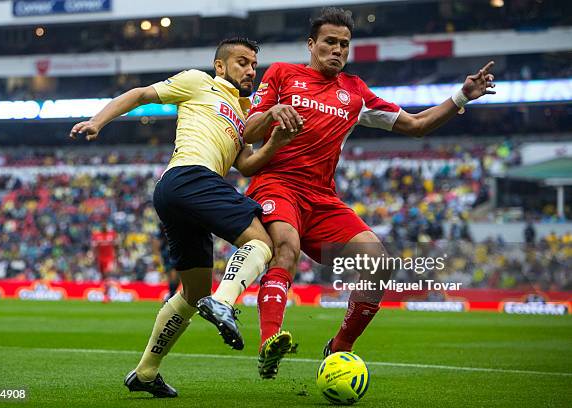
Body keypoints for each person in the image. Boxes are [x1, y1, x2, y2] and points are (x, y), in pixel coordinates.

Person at [201, 7, 496, 379]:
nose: (338, 50)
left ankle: (340, 346)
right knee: (286, 247)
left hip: (323, 199)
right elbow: (247, 130)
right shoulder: (282, 74)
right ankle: (270, 343)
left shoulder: (355, 92)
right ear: (311, 44)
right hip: (277, 185)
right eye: (329, 42)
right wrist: (275, 111)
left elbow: (416, 125)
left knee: (378, 263)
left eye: (344, 44)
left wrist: (461, 97)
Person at [69, 38, 296, 397]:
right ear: (220, 66)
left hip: (178, 192)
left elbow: (247, 165)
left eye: (254, 64)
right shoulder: (197, 81)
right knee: (262, 242)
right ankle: (223, 303)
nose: (250, 70)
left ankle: (145, 372)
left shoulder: (245, 111)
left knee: (192, 293)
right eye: (241, 62)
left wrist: (275, 144)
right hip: (191, 175)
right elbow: (141, 95)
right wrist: (98, 121)